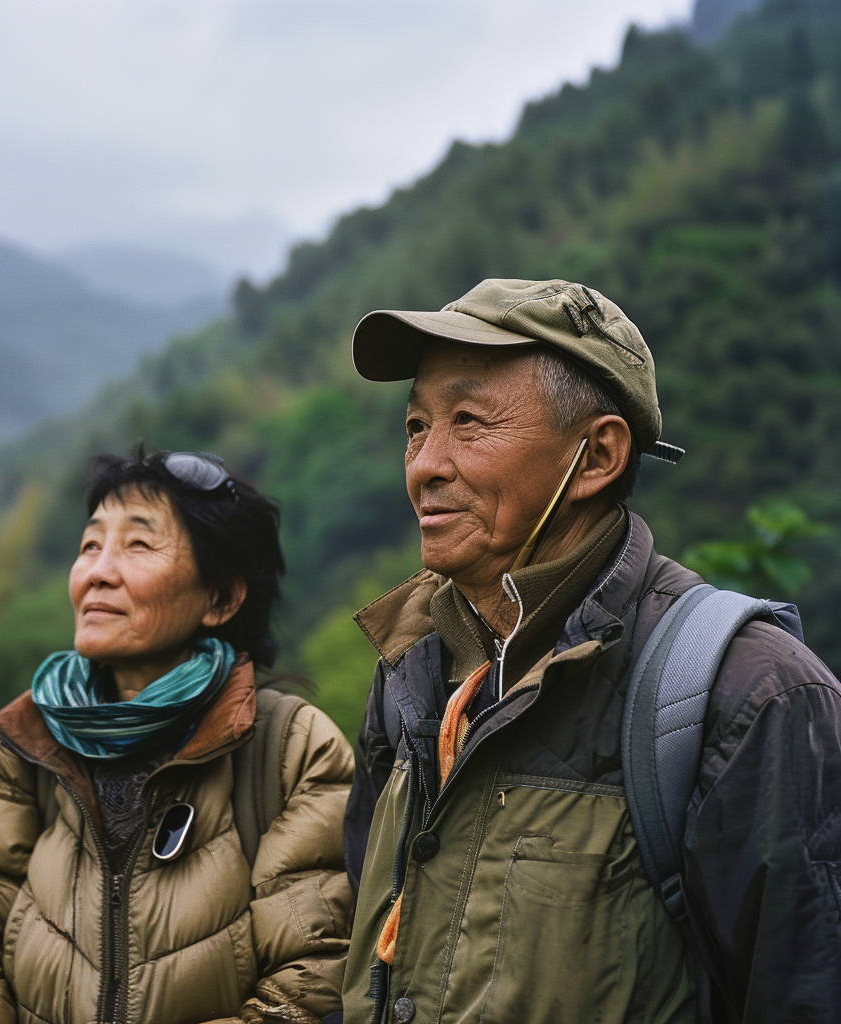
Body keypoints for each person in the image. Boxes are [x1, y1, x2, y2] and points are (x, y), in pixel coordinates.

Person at [340, 279, 841, 1024]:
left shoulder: (749, 694)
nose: (424, 465)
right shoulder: (415, 671)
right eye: (417, 426)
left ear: (598, 455)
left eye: (469, 421)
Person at [0, 446, 355, 1024]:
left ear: (221, 598)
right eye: (90, 545)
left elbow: (315, 980)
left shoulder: (289, 748)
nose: (97, 572)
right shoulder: (26, 740)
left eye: (137, 544)